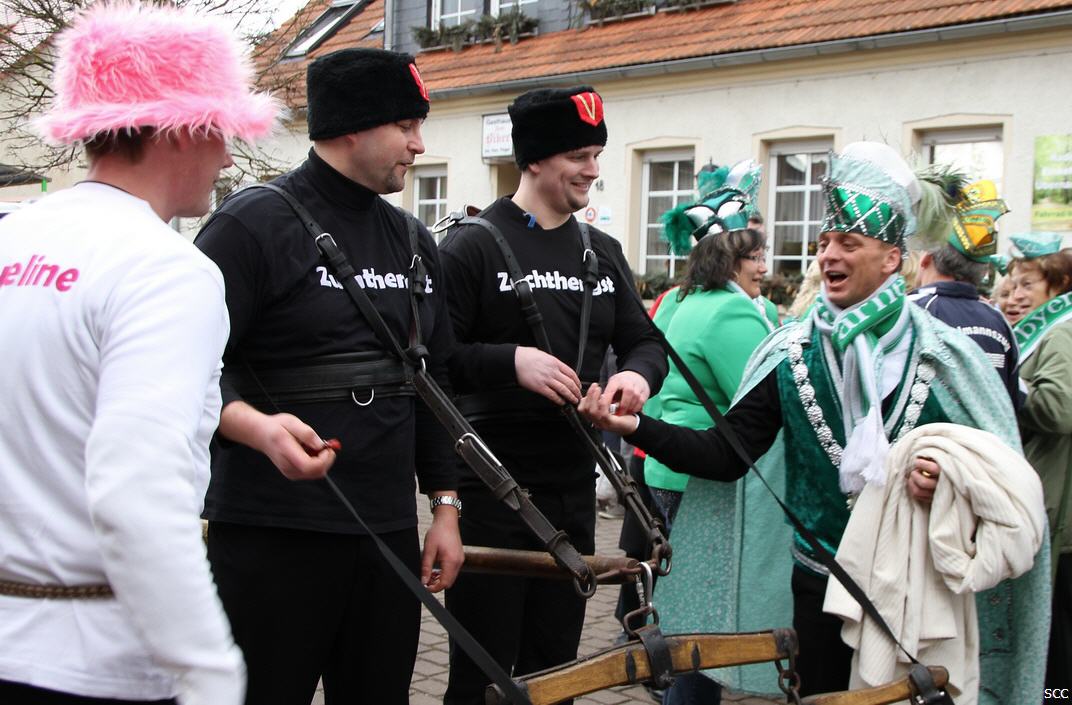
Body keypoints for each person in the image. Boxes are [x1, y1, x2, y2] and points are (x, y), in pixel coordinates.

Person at [580, 142, 1050, 704]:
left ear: (892, 258)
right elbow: (726, 455)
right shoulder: (791, 355)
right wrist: (636, 428)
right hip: (817, 590)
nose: (828, 255)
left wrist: (946, 481)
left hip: (916, 590)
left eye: (848, 243)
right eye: (825, 242)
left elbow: (1001, 483)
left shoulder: (944, 357)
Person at [0, 4, 279, 703]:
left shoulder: (10, 238)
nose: (227, 156)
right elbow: (138, 490)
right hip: (94, 665)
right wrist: (209, 670)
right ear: (181, 129)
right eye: (222, 130)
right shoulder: (167, 271)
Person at [194, 48, 463, 705]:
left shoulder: (414, 240)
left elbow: (432, 385)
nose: (418, 145)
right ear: (351, 126)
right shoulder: (250, 226)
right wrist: (255, 428)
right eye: (405, 126)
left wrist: (446, 506)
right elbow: (187, 372)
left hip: (386, 536)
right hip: (270, 535)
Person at [438, 85, 667, 705]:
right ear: (535, 158)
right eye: (579, 156)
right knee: (483, 677)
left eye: (597, 155)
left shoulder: (602, 251)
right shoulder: (471, 245)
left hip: (572, 492)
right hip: (492, 493)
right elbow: (435, 361)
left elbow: (646, 341)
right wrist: (510, 361)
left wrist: (635, 378)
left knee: (556, 672)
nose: (593, 170)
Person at [645, 159, 774, 705]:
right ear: (730, 259)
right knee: (704, 617)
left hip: (667, 467)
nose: (764, 267)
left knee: (683, 604)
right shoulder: (731, 314)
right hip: (705, 474)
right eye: (756, 256)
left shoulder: (681, 300)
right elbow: (765, 400)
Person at [1005, 234, 1072, 693]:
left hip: (1056, 506)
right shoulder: (1046, 331)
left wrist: (1003, 383)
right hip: (1049, 498)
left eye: (1027, 285)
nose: (1014, 296)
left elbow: (1059, 409)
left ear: (1059, 287)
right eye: (1011, 286)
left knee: (1056, 647)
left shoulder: (1060, 332)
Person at [908, 178, 1019, 406]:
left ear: (926, 258)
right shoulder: (999, 320)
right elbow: (1013, 402)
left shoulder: (910, 310)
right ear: (982, 270)